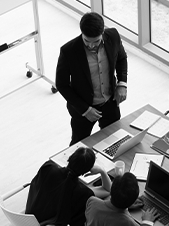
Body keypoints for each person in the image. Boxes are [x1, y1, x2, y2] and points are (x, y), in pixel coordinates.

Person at [55, 12, 128, 146]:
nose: (91, 46)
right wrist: (85, 110)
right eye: (87, 41)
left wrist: (122, 83)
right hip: (83, 108)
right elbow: (61, 84)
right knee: (79, 146)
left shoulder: (113, 35)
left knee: (114, 141)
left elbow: (121, 58)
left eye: (96, 41)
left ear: (102, 33)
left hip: (109, 102)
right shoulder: (69, 51)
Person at [25, 147, 111, 226]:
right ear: (87, 170)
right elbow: (107, 190)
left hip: (28, 219)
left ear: (70, 158)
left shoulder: (48, 168)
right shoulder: (83, 193)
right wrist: (102, 171)